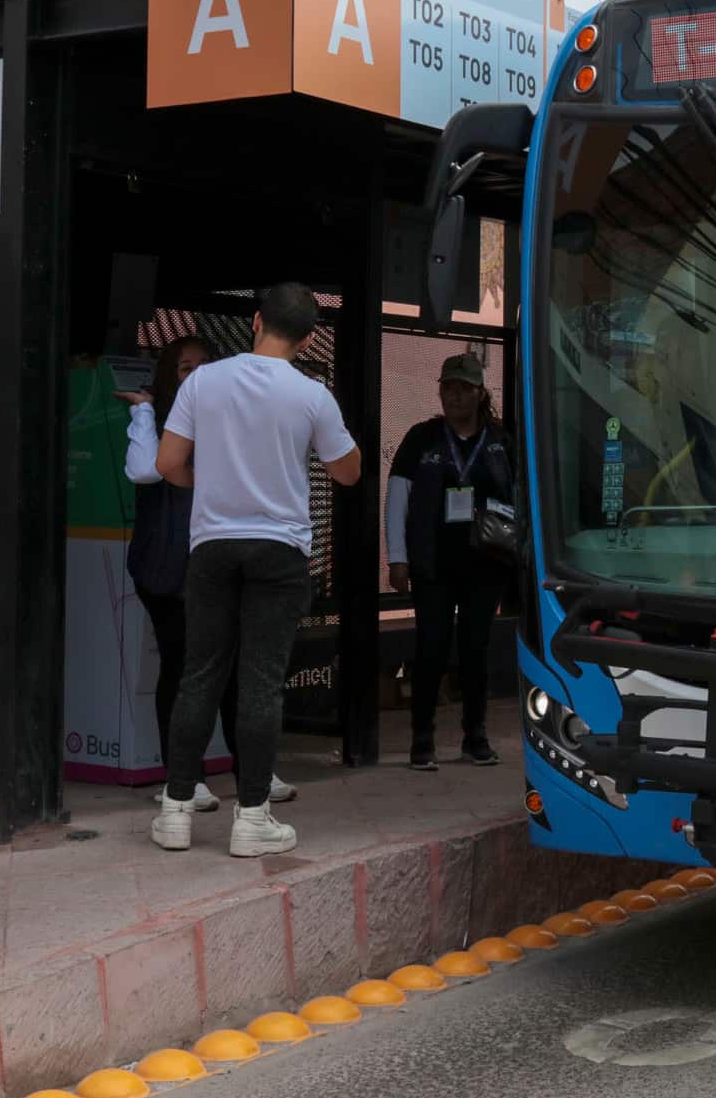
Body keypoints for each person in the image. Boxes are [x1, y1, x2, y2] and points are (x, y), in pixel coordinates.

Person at [153, 284, 362, 857]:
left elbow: (167, 463)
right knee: (262, 681)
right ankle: (252, 818)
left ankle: (174, 810)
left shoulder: (203, 381)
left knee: (201, 674)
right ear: (311, 337)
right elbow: (347, 473)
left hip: (214, 545)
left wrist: (211, 486)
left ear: (255, 320)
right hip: (280, 548)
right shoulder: (311, 393)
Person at [119, 335, 294, 808]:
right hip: (165, 570)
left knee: (236, 672)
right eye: (183, 368)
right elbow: (144, 470)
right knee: (181, 668)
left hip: (218, 565)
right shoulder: (154, 419)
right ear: (168, 376)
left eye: (202, 367)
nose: (194, 376)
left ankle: (253, 773)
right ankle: (186, 780)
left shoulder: (224, 421)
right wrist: (141, 412)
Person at [387, 353, 514, 771]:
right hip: (432, 565)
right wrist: (398, 558)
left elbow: (520, 501)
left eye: (463, 387)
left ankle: (474, 737)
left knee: (476, 651)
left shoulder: (500, 441)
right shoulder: (422, 438)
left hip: (485, 566)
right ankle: (422, 741)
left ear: (480, 393)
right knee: (431, 649)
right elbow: (397, 499)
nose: (454, 395)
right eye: (448, 387)